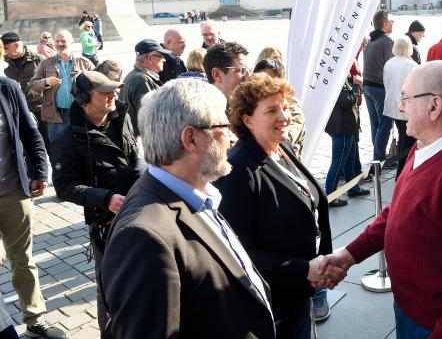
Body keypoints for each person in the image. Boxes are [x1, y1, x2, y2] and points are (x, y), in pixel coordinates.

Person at [322, 61, 442, 339]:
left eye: (406, 98)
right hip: (410, 309)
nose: (400, 106)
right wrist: (350, 254)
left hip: (438, 324)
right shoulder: (426, 143)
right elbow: (399, 212)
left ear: (434, 106)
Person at [100, 79, 276, 338]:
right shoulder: (143, 236)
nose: (231, 138)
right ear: (191, 139)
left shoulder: (194, 195)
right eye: (223, 127)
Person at [215, 75, 344, 336]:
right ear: (247, 120)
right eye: (272, 110)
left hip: (300, 290)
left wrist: (320, 266)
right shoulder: (239, 170)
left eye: (284, 106)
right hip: (273, 303)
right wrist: (303, 269)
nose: (284, 116)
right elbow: (237, 252)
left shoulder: (282, 147)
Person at [51, 71, 140, 334]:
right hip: (106, 224)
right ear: (84, 101)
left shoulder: (122, 117)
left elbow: (134, 155)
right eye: (105, 92)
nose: (114, 95)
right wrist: (105, 199)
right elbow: (64, 187)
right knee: (110, 288)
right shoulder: (66, 140)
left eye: (113, 89)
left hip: (140, 211)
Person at [0, 76, 66, 339]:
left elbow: (30, 131)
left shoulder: (7, 88)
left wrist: (40, 170)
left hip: (14, 191)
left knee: (23, 259)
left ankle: (35, 318)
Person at [30, 30, 94, 143]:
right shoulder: (45, 64)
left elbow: (98, 84)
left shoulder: (84, 63)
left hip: (81, 112)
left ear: (72, 42)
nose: (59, 44)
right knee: (59, 146)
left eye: (63, 41)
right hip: (56, 114)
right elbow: (34, 84)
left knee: (83, 144)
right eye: (57, 41)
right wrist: (46, 81)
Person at [323, 74, 369, 207]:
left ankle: (353, 188)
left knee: (349, 160)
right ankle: (331, 195)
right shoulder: (337, 79)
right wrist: (357, 86)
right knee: (338, 162)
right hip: (341, 128)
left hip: (346, 127)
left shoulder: (341, 79)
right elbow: (346, 102)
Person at [2, 33, 48, 148]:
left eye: (6, 48)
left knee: (46, 142)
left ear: (17, 45)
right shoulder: (3, 62)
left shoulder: (38, 59)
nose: (5, 52)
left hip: (39, 109)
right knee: (25, 147)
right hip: (17, 110)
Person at [383, 36, 418, 179]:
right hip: (405, 105)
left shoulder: (389, 62)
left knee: (403, 136)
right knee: (407, 140)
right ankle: (403, 172)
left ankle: (402, 171)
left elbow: (386, 83)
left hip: (392, 104)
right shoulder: (412, 65)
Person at [362, 10, 395, 163]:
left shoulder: (370, 41)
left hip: (367, 86)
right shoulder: (387, 41)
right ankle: (379, 158)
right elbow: (391, 66)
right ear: (385, 24)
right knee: (386, 123)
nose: (393, 24)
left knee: (375, 123)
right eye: (392, 21)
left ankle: (377, 157)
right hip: (379, 88)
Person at [119, 39, 168, 134]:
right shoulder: (142, 80)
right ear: (150, 57)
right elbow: (151, 118)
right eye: (161, 56)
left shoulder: (136, 76)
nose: (164, 60)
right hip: (143, 139)